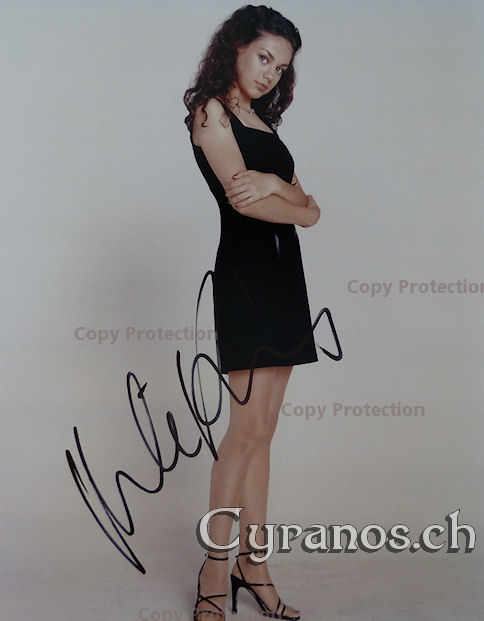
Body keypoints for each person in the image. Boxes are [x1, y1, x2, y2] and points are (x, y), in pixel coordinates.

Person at [183, 5, 321, 620]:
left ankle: (254, 563)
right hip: (245, 279)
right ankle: (215, 568)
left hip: (285, 279)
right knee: (243, 432)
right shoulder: (210, 112)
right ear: (236, 47)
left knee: (264, 432)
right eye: (264, 57)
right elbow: (251, 206)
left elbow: (310, 210)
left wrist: (278, 188)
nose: (271, 73)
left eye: (281, 67)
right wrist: (287, 197)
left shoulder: (261, 121)